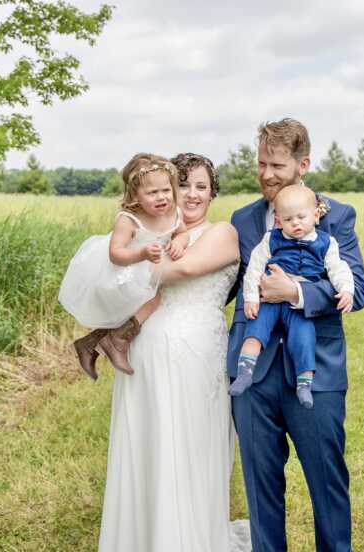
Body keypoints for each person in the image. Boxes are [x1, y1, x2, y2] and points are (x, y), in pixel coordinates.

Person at [97, 153, 250, 552]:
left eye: (202, 186)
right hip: (149, 349)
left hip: (198, 352)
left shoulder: (223, 232)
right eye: (184, 185)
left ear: (213, 191)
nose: (193, 194)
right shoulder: (152, 234)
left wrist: (131, 266)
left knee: (193, 445)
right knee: (149, 442)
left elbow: (181, 271)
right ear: (166, 190)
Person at [228, 118, 364, 551]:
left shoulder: (336, 215)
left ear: (303, 163)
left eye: (277, 165)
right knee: (260, 486)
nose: (266, 174)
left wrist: (297, 292)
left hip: (316, 371)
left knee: (327, 481)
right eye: (261, 164)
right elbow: (222, 284)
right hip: (253, 375)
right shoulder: (244, 219)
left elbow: (356, 288)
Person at [58, 153, 189, 379]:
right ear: (135, 195)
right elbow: (115, 254)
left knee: (137, 308)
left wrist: (179, 241)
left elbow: (183, 232)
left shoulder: (174, 213)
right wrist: (142, 252)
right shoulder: (128, 219)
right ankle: (117, 341)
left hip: (149, 269)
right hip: (126, 268)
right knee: (153, 299)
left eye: (166, 190)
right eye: (152, 193)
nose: (161, 197)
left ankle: (89, 345)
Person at [230, 183, 355, 408]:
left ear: (316, 215)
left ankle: (304, 384)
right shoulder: (272, 239)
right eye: (288, 220)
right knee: (255, 331)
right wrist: (250, 297)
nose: (295, 223)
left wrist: (346, 289)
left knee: (303, 337)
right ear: (278, 221)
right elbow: (254, 268)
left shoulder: (326, 242)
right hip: (267, 300)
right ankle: (245, 372)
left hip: (298, 306)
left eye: (301, 217)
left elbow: (338, 269)